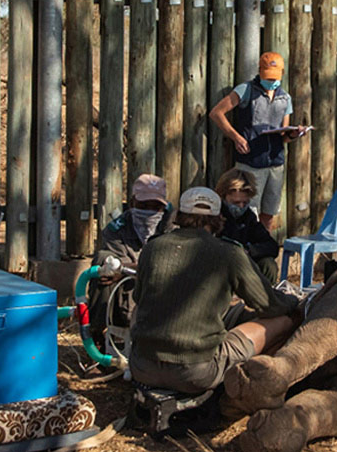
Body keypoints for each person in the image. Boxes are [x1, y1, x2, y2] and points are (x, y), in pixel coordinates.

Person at [128, 187, 300, 395]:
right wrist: (294, 300)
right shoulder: (229, 252)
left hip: (141, 367)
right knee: (282, 321)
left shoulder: (151, 248)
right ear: (219, 218)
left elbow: (139, 298)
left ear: (179, 216)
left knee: (140, 308)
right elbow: (269, 305)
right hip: (196, 372)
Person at [209, 51, 305, 232]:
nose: (271, 81)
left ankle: (262, 249)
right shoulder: (245, 89)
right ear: (260, 71)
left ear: (282, 74)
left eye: (275, 77)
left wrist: (294, 134)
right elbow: (216, 113)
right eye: (267, 76)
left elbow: (284, 135)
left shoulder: (285, 98)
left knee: (269, 213)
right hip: (250, 164)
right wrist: (236, 137)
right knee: (247, 210)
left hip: (275, 164)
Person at [89, 174, 174, 347]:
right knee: (103, 261)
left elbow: (174, 262)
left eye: (156, 206)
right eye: (144, 205)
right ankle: (99, 335)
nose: (150, 211)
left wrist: (126, 269)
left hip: (166, 294)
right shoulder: (116, 229)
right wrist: (120, 270)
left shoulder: (175, 225)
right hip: (128, 293)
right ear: (132, 201)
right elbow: (115, 266)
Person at [214, 168, 281, 283]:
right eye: (236, 202)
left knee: (269, 265)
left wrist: (250, 251)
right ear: (223, 197)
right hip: (220, 265)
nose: (240, 206)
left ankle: (266, 297)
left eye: (245, 202)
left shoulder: (248, 217)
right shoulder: (213, 216)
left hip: (244, 263)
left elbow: (271, 246)